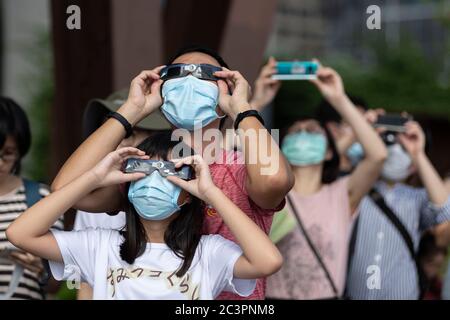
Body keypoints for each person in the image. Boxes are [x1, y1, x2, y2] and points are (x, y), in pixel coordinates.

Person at [51, 45, 294, 299]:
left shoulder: (242, 171)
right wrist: (132, 110)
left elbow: (276, 179)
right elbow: (67, 190)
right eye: (176, 73)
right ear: (163, 92)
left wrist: (241, 109)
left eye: (206, 74)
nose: (189, 80)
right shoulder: (144, 168)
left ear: (227, 92)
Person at [6, 132, 283, 300]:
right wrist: (95, 176)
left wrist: (211, 193)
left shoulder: (209, 254)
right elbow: (20, 233)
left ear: (189, 192)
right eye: (144, 169)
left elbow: (268, 261)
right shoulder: (99, 246)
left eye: (168, 172)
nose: (154, 180)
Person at [266, 64, 387, 299]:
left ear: (329, 151)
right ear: (283, 148)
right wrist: (256, 101)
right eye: (295, 131)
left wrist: (338, 98)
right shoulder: (268, 194)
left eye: (312, 131)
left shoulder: (342, 194)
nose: (303, 134)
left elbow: (378, 155)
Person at [73, 89, 172, 300]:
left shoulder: (177, 197)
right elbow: (86, 282)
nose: (117, 144)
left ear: (158, 139)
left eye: (127, 133)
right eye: (109, 133)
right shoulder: (93, 202)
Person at [346, 121, 450, 300]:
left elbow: (444, 210)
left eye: (402, 148)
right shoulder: (355, 189)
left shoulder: (417, 197)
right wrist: (363, 130)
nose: (395, 152)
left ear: (413, 166)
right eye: (390, 144)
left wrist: (417, 154)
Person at [0, 97, 63, 300]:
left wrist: (40, 267)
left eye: (7, 153)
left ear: (20, 152)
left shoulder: (41, 200)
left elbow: (59, 283)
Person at [418, 231, 448, 300]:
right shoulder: (408, 284)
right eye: (431, 264)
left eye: (438, 266)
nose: (434, 272)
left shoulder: (437, 286)